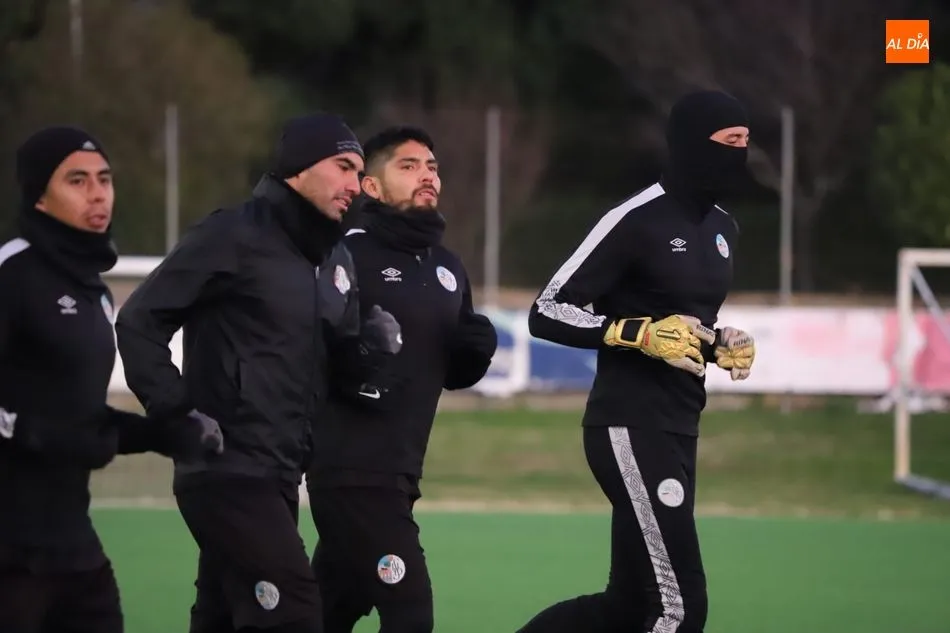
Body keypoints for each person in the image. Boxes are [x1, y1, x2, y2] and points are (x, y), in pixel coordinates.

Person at [115, 113, 402, 633]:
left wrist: (370, 350)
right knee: (292, 610)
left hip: (281, 473)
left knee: (222, 616)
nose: (353, 184)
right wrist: (176, 414)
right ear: (298, 169)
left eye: (359, 172)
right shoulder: (232, 233)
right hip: (226, 470)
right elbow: (139, 321)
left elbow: (340, 374)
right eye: (342, 166)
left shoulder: (335, 258)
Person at [515, 91, 757, 633]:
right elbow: (546, 310)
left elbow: (683, 325)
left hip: (680, 423)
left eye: (747, 142)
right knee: (680, 607)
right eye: (731, 142)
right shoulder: (635, 217)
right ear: (696, 144)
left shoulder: (725, 228)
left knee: (627, 606)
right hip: (627, 423)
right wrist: (634, 334)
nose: (742, 155)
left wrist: (720, 345)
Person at [0, 126, 222, 633]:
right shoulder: (11, 274)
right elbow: (44, 427)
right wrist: (27, 431)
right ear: (39, 194)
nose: (97, 193)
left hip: (71, 549)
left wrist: (165, 434)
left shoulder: (93, 291)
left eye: (104, 179)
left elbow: (85, 422)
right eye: (76, 180)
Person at [306, 126, 497, 633]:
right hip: (350, 472)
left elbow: (450, 372)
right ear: (370, 187)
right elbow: (306, 349)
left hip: (400, 472)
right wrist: (355, 356)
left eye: (431, 166)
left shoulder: (448, 268)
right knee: (411, 613)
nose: (426, 176)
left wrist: (473, 355)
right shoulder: (344, 253)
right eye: (408, 167)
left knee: (325, 614)